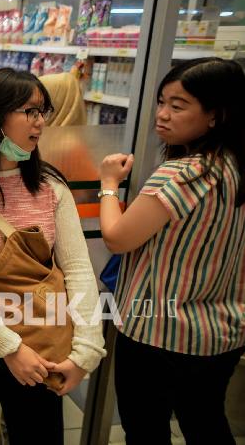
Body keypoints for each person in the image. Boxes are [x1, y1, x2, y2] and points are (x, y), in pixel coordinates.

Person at [0, 68, 105, 445]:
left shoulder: (50, 185)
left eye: (43, 111)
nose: (40, 123)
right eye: (30, 111)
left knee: (39, 433)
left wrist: (86, 350)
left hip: (41, 336)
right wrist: (7, 346)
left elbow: (76, 269)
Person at [98, 57, 245, 445]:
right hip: (220, 332)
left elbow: (117, 237)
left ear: (216, 114)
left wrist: (109, 184)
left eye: (178, 106)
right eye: (162, 102)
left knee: (145, 429)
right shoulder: (234, 167)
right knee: (206, 423)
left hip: (157, 330)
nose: (162, 115)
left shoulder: (183, 173)